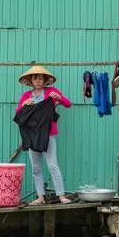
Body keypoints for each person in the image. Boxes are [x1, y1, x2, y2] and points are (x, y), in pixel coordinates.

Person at [15, 65, 73, 205]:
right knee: (36, 168)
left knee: (53, 165)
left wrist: (58, 97)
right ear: (31, 80)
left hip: (49, 134)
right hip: (32, 135)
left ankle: (61, 196)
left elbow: (68, 104)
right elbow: (18, 113)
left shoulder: (52, 92)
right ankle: (40, 197)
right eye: (35, 78)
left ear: (45, 80)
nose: (38, 81)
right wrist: (24, 104)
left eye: (41, 78)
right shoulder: (26, 96)